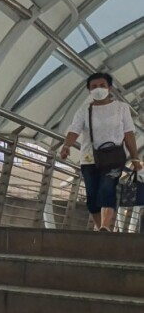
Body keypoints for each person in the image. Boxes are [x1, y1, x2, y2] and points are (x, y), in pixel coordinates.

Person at [60, 72, 142, 231]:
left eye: (102, 85)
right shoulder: (84, 110)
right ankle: (103, 231)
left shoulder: (121, 108)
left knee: (107, 188)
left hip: (114, 158)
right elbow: (74, 130)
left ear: (109, 88)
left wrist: (135, 159)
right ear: (89, 90)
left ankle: (105, 225)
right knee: (92, 197)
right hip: (89, 158)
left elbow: (129, 134)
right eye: (94, 86)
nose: (98, 89)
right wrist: (66, 146)